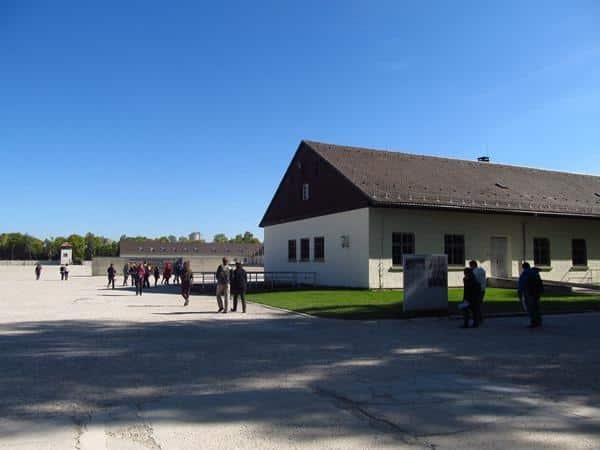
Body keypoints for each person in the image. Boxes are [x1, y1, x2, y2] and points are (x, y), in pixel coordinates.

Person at [518, 262, 544, 328]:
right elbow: (540, 283)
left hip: (529, 292)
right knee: (536, 306)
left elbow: (522, 284)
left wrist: (520, 293)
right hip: (537, 292)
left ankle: (534, 321)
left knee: (530, 307)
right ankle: (538, 320)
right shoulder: (534, 272)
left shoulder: (525, 274)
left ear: (523, 267)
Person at [469, 260, 486, 324]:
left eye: (470, 265)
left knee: (476, 305)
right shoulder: (482, 270)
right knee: (479, 304)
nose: (470, 267)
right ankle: (480, 318)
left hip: (477, 290)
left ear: (473, 265)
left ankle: (478, 319)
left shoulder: (474, 272)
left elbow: (474, 280)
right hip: (482, 289)